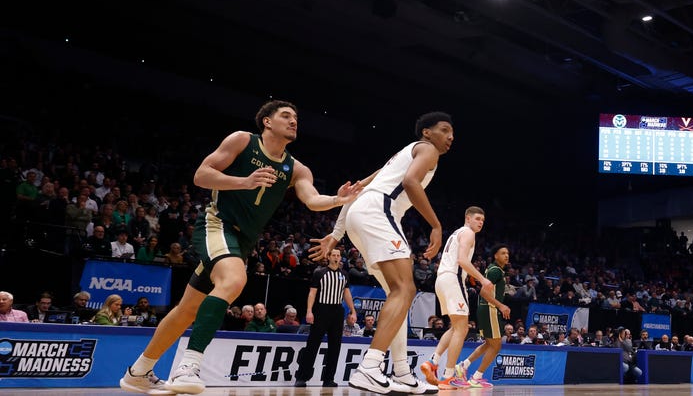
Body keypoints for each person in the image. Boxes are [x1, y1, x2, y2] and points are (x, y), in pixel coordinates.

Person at [118, 100, 360, 395]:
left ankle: (138, 372)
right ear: (267, 122)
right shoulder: (242, 141)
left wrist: (337, 200)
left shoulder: (296, 168)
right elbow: (201, 175)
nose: (294, 121)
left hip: (243, 241)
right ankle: (188, 366)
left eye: (296, 118)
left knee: (187, 309)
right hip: (217, 225)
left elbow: (311, 200)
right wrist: (244, 181)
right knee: (234, 280)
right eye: (286, 116)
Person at [311, 111, 455, 395]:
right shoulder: (427, 150)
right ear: (426, 132)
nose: (450, 136)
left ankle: (401, 372)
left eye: (453, 132)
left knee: (398, 296)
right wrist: (436, 225)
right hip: (380, 212)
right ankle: (370, 366)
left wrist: (337, 234)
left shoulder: (399, 158)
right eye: (444, 129)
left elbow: (357, 190)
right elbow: (412, 183)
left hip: (361, 214)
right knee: (405, 289)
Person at [418, 207, 495, 388]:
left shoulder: (456, 233)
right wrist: (483, 280)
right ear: (467, 218)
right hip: (453, 279)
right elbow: (462, 260)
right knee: (462, 329)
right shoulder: (468, 233)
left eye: (482, 220)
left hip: (442, 279)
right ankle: (449, 375)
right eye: (477, 218)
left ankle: (432, 362)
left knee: (456, 327)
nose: (480, 222)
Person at [296, 245, 356, 387]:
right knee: (312, 344)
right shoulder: (319, 272)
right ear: (328, 257)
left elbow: (346, 293)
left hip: (337, 311)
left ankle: (328, 379)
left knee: (335, 346)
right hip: (321, 310)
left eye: (338, 255)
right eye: (333, 255)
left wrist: (352, 310)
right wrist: (309, 311)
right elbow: (312, 293)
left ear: (341, 258)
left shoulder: (344, 274)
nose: (336, 257)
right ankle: (302, 377)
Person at [456, 243, 512, 388]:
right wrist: (501, 305)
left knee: (489, 344)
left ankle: (464, 365)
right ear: (495, 256)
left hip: (487, 309)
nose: (506, 255)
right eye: (503, 253)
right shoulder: (496, 271)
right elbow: (483, 292)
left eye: (507, 253)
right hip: (490, 308)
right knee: (496, 345)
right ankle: (476, 377)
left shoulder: (496, 270)